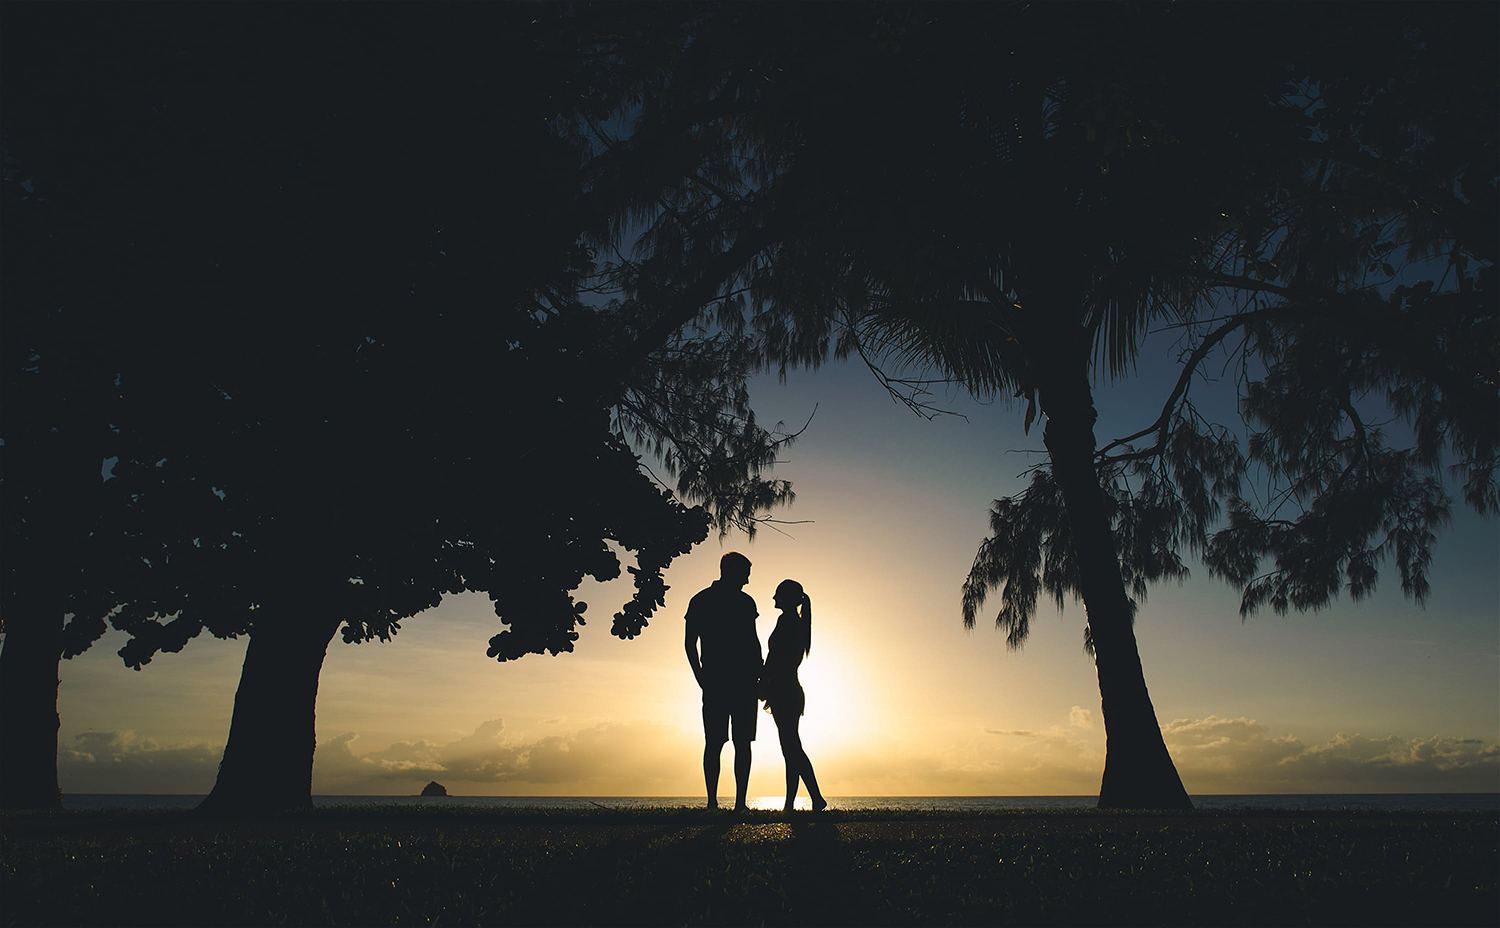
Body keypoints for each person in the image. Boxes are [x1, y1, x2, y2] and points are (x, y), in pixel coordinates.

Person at [684, 551, 762, 813]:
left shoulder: (712, 600)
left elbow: (753, 642)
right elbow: (689, 643)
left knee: (733, 743)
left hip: (738, 681)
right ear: (732, 572)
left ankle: (732, 802)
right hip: (722, 681)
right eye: (745, 576)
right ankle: (716, 802)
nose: (748, 582)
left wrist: (758, 676)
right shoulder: (703, 600)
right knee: (720, 743)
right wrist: (699, 675)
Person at [760, 579, 827, 816]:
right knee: (791, 747)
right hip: (787, 688)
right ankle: (799, 802)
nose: (773, 598)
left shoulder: (788, 622)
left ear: (787, 598)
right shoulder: (793, 622)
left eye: (777, 593)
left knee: (791, 747)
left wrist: (767, 682)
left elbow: (780, 660)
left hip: (785, 689)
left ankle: (809, 799)